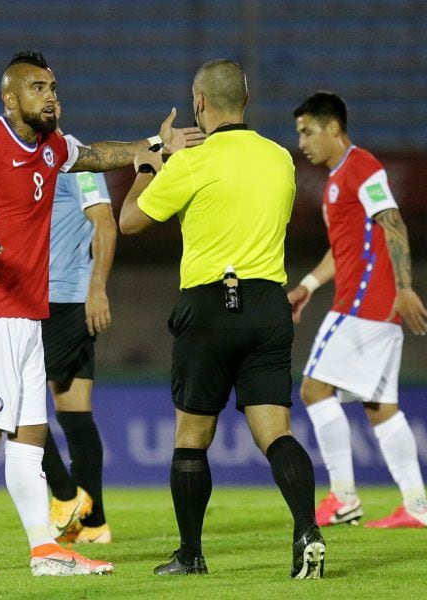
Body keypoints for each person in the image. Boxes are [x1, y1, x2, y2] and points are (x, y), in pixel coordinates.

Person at [0, 49, 199, 577]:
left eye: (52, 87)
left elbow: (98, 154)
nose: (50, 96)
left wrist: (157, 142)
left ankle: (45, 551)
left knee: (30, 435)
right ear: (10, 98)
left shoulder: (53, 148)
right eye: (37, 88)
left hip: (28, 312)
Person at [119, 59, 325, 580]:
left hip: (210, 303)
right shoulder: (280, 159)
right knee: (276, 432)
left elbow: (130, 221)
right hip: (268, 304)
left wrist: (151, 161)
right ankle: (307, 531)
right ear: (246, 100)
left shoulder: (192, 162)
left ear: (199, 103)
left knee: (191, 436)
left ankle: (191, 555)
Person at [288, 91, 427, 529]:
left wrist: (404, 288)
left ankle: (343, 497)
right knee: (380, 407)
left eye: (308, 132)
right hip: (373, 308)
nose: (302, 142)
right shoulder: (338, 179)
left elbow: (393, 222)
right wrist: (307, 286)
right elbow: (344, 251)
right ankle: (416, 504)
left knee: (314, 390)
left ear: (333, 128)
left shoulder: (362, 168)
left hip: (362, 306)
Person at [40, 102, 116, 545]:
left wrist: (97, 290)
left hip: (64, 302)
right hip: (53, 300)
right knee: (74, 412)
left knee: (13, 402)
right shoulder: (34, 164)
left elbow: (105, 223)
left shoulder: (75, 161)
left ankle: (66, 497)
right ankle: (93, 524)